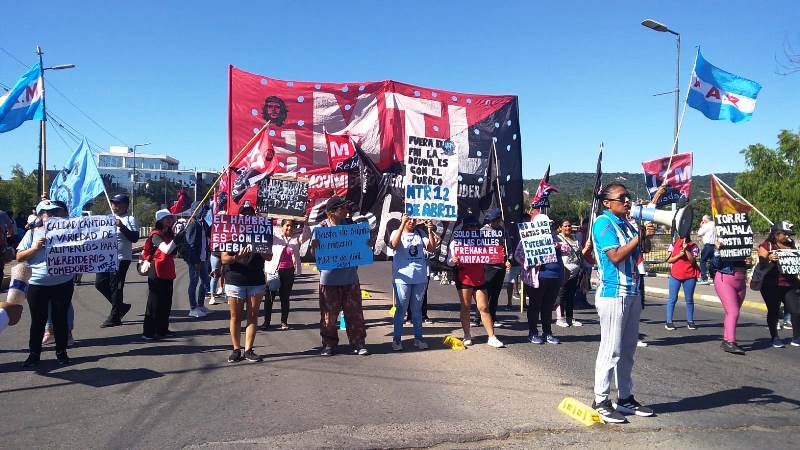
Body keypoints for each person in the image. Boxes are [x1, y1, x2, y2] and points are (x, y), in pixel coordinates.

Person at [589, 183, 655, 423]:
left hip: (632, 291)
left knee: (628, 350)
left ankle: (625, 398)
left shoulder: (626, 223)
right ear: (607, 202)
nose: (627, 201)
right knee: (611, 349)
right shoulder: (603, 223)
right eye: (622, 198)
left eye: (628, 197)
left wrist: (645, 236)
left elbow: (639, 253)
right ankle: (601, 399)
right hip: (613, 293)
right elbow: (615, 256)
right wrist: (638, 237)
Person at [17, 200, 75, 367]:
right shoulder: (32, 233)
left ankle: (61, 352)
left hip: (63, 282)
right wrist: (35, 248)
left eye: (55, 212)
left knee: (60, 319)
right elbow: (19, 257)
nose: (51, 215)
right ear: (40, 215)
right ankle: (34, 354)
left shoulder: (68, 231)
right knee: (38, 320)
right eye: (47, 213)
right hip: (37, 283)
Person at [311, 197, 369, 356]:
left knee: (354, 314)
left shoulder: (351, 226)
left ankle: (358, 343)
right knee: (329, 317)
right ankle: (329, 344)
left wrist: (365, 242)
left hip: (350, 279)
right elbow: (313, 254)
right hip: (329, 281)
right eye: (342, 208)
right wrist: (315, 248)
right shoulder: (321, 229)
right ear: (331, 212)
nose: (346, 211)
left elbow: (362, 247)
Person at [221, 204, 270, 363]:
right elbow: (224, 258)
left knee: (253, 315)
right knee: (235, 316)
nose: (247, 217)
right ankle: (236, 349)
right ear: (238, 217)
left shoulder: (261, 233)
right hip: (235, 280)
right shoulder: (230, 233)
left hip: (256, 280)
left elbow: (269, 256)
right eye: (244, 214)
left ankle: (248, 349)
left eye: (250, 214)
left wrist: (262, 250)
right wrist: (236, 257)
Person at [448, 215, 505, 348]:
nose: (473, 228)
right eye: (470, 226)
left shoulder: (483, 241)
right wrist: (453, 260)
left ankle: (491, 336)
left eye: (475, 226)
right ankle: (467, 335)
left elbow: (492, 255)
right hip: (464, 278)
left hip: (479, 277)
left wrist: (501, 257)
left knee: (484, 307)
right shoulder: (456, 242)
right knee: (466, 307)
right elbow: (449, 261)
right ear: (465, 228)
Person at [389, 214, 438, 350]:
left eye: (414, 219)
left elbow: (432, 248)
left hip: (419, 277)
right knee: (401, 309)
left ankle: (418, 338)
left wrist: (429, 230)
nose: (412, 221)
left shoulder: (420, 233)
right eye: (409, 219)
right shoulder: (395, 232)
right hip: (402, 278)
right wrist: (401, 225)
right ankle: (397, 340)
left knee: (416, 311)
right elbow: (393, 245)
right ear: (403, 219)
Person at [515, 214, 566, 345]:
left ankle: (547, 332)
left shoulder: (554, 238)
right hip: (537, 278)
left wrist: (558, 246)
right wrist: (530, 263)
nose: (548, 227)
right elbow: (518, 254)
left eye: (549, 224)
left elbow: (566, 249)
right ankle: (533, 332)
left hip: (554, 278)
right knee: (535, 306)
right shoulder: (528, 239)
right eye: (546, 224)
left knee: (548, 307)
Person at [95, 194, 139, 327]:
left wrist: (122, 227)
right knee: (100, 283)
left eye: (117, 203)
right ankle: (121, 306)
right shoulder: (107, 218)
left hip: (120, 258)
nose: (114, 206)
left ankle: (115, 317)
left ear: (125, 205)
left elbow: (135, 238)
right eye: (113, 203)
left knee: (116, 288)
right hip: (105, 257)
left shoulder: (130, 219)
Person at [757, 221, 800, 348]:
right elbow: (762, 263)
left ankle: (797, 337)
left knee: (796, 311)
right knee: (774, 311)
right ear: (776, 234)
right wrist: (769, 258)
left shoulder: (791, 244)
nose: (788, 236)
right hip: (771, 284)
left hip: (790, 283)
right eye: (785, 234)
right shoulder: (767, 245)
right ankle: (774, 337)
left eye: (789, 234)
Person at [142, 209, 181, 340]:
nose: (170, 220)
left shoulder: (169, 233)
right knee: (154, 302)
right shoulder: (155, 235)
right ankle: (148, 331)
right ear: (160, 220)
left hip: (168, 269)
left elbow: (173, 252)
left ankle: (162, 329)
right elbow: (166, 249)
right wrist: (177, 239)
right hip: (156, 270)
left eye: (171, 217)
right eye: (166, 218)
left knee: (166, 301)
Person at [262, 218, 306, 330]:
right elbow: (264, 231)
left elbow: (307, 235)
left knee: (285, 297)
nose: (289, 228)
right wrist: (261, 218)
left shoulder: (296, 238)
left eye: (291, 226)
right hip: (274, 271)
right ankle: (266, 322)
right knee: (270, 297)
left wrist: (306, 223)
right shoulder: (275, 236)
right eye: (287, 225)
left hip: (289, 271)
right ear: (282, 226)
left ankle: (284, 322)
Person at [664, 235, 700, 331]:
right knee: (672, 298)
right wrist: (679, 255)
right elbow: (669, 260)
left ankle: (690, 321)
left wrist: (687, 250)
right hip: (675, 275)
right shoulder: (673, 244)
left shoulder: (694, 246)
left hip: (689, 276)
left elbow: (692, 261)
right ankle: (669, 321)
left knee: (689, 299)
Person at [481, 208, 510, 326]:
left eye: (496, 220)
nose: (494, 222)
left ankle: (493, 317)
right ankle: (478, 318)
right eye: (492, 220)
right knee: (484, 293)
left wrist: (507, 260)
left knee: (495, 294)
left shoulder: (502, 231)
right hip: (487, 266)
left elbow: (507, 247)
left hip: (499, 266)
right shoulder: (483, 230)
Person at [555, 219, 585, 328]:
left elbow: (580, 253)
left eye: (569, 226)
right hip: (564, 271)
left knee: (571, 295)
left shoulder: (575, 239)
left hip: (575, 272)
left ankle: (570, 318)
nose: (568, 228)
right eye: (565, 226)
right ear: (560, 227)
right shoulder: (558, 239)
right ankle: (560, 318)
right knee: (561, 294)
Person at [184, 205, 211, 318]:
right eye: (203, 210)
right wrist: (195, 261)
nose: (205, 212)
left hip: (203, 258)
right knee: (193, 282)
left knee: (205, 282)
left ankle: (200, 305)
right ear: (197, 210)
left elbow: (210, 234)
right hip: (195, 260)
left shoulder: (203, 223)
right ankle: (193, 308)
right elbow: (190, 244)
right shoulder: (192, 224)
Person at [696, 215, 717, 285]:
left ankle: (704, 277)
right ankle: (714, 278)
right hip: (714, 246)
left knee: (703, 261)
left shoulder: (706, 225)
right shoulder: (714, 224)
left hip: (707, 245)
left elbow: (699, 233)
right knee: (712, 262)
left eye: (703, 220)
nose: (702, 221)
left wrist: (701, 226)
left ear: (705, 220)